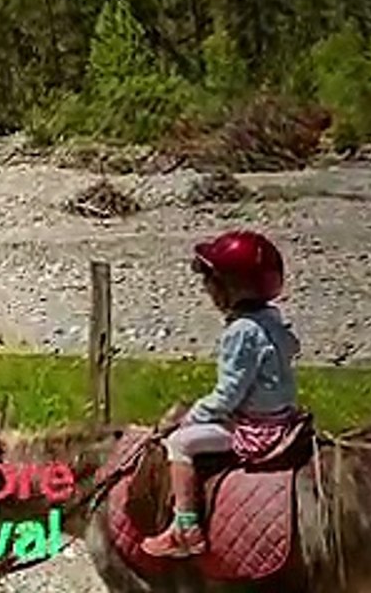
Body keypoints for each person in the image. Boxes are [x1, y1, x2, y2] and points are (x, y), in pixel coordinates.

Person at [140, 230, 300, 558]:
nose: (206, 288)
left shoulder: (241, 332)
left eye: (211, 280)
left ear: (231, 286)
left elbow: (227, 394)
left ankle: (185, 528)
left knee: (180, 444)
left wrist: (191, 417)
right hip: (283, 420)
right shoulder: (271, 320)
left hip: (255, 428)